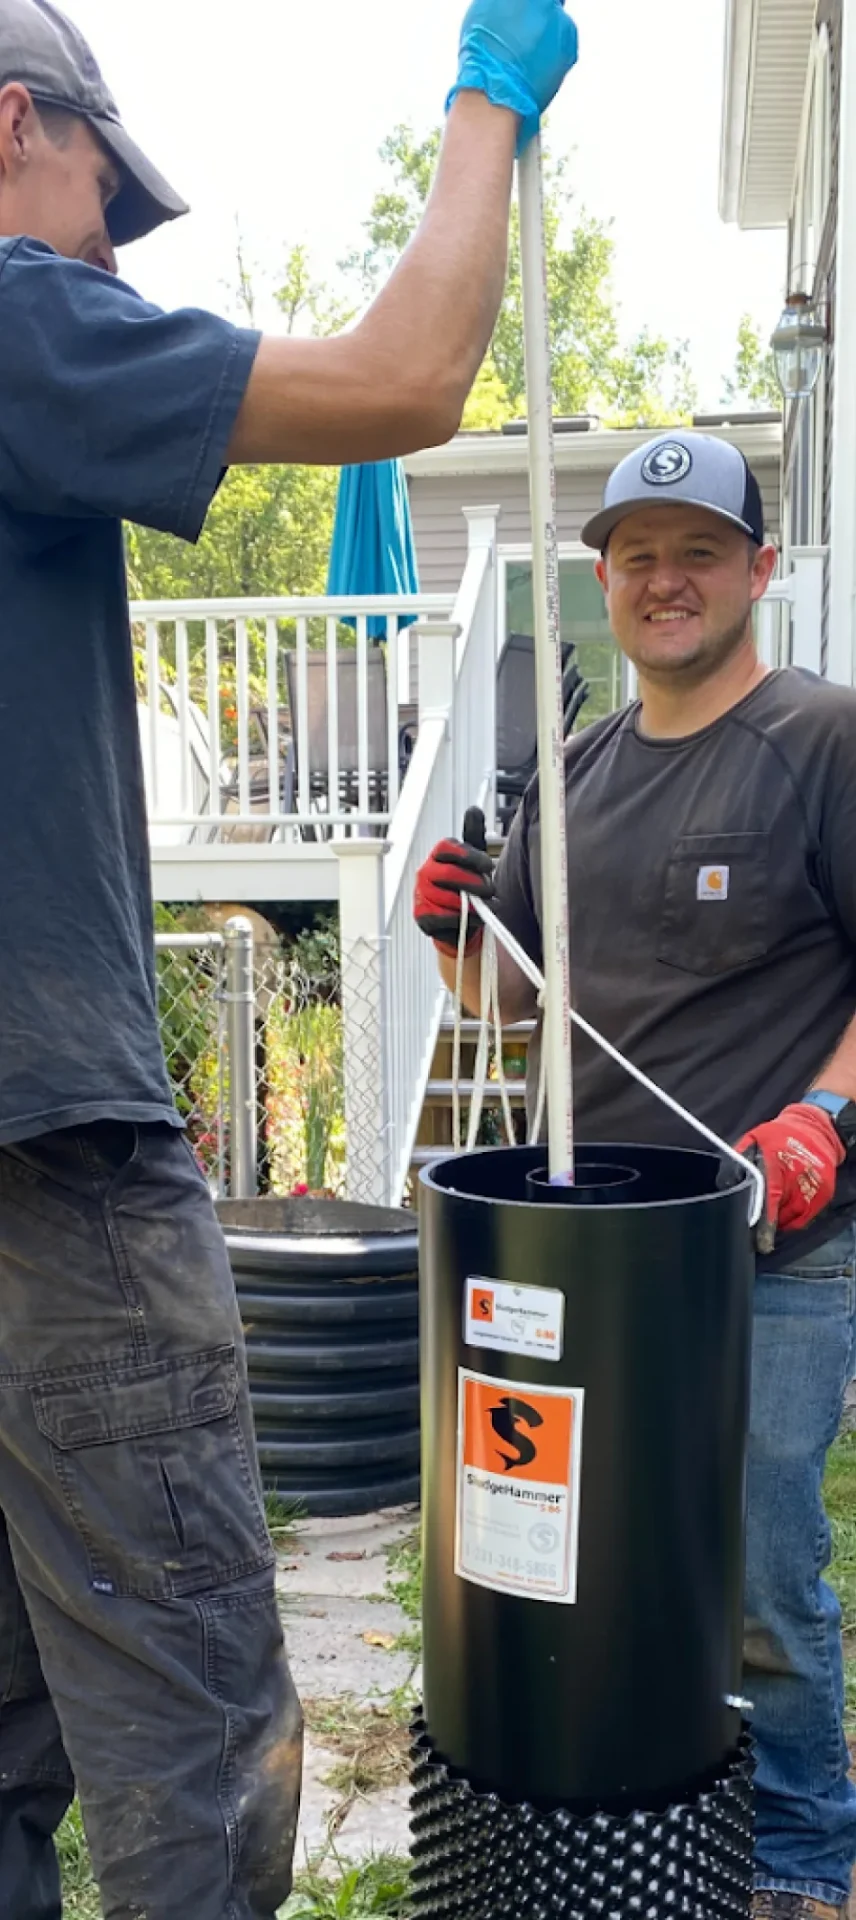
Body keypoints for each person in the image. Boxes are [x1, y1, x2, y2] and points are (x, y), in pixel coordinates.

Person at [0, 0, 579, 1914]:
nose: (106, 252)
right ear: (16, 126)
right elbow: (413, 376)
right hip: (49, 1153)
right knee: (191, 1740)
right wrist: (484, 107)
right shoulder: (12, 313)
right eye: (106, 200)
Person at [414, 428, 856, 1920]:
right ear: (603, 578)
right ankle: (620, 1812)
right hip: (590, 1259)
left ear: (759, 570)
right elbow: (515, 1010)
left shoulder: (823, 741)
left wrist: (822, 1123)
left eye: (698, 553)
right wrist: (454, 938)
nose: (664, 581)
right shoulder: (578, 769)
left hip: (768, 1252)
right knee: (582, 1561)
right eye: (637, 556)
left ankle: (798, 1856)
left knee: (752, 1573)